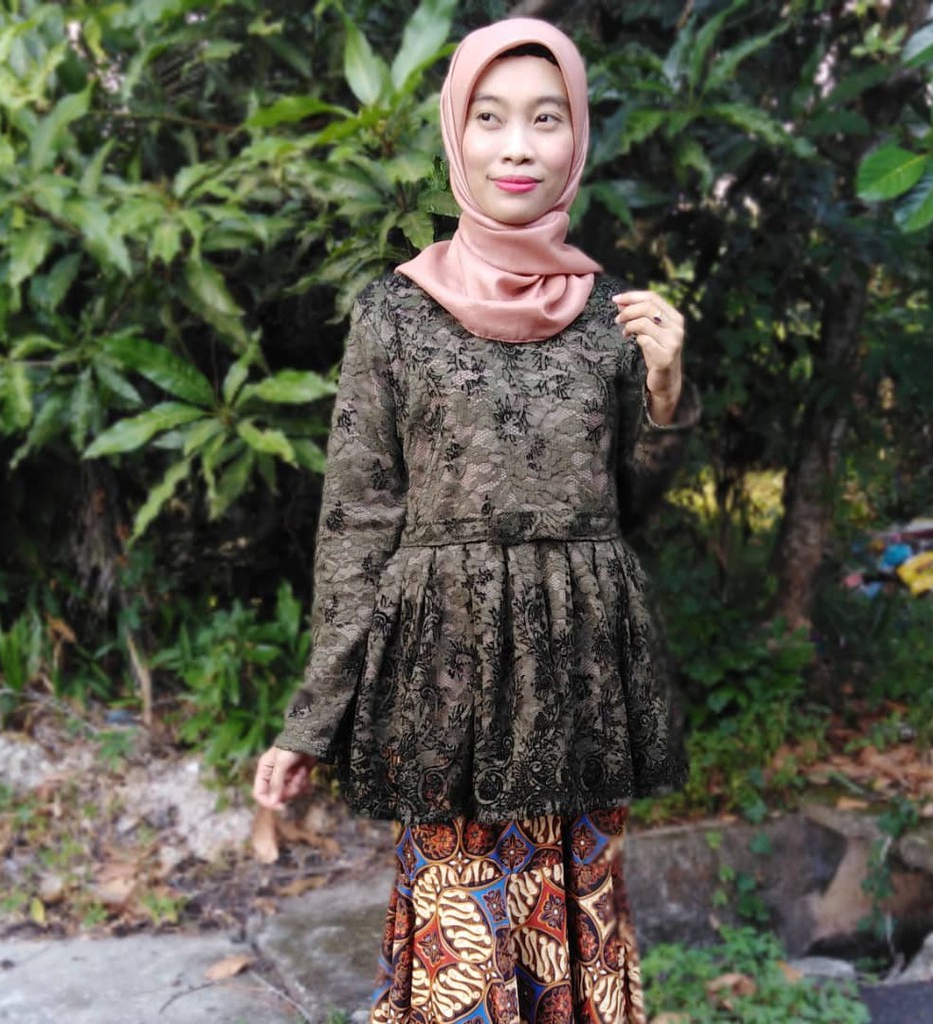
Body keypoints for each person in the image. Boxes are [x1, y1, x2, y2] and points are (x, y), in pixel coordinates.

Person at [254, 17, 697, 1024]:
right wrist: (312, 719)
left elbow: (628, 508)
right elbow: (358, 524)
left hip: (578, 670)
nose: (517, 146)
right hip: (442, 675)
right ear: (456, 136)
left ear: (575, 138)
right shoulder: (395, 313)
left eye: (545, 118)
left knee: (571, 927)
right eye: (490, 118)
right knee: (457, 942)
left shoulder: (611, 315)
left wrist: (666, 391)